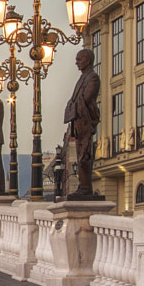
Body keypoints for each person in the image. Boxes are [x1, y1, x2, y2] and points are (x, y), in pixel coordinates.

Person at [63, 48, 101, 198]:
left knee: (84, 154)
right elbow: (76, 99)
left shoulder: (93, 78)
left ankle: (85, 187)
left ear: (88, 60)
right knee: (80, 154)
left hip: (85, 119)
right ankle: (82, 186)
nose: (76, 62)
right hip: (78, 120)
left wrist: (72, 106)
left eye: (80, 59)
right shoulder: (83, 77)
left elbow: (86, 98)